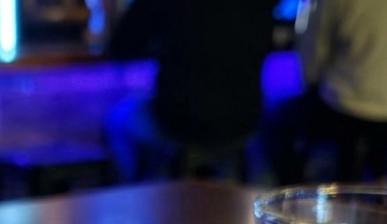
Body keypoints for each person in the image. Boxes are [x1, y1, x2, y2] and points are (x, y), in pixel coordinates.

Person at [104, 0, 274, 182]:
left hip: (181, 122)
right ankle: (208, 185)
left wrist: (165, 44)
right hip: (245, 119)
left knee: (116, 122)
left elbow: (120, 46)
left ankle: (144, 189)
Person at [291, 0, 387, 181]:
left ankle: (302, 187)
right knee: (380, 144)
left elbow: (314, 49)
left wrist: (311, 81)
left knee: (282, 125)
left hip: (349, 105)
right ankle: (381, 179)